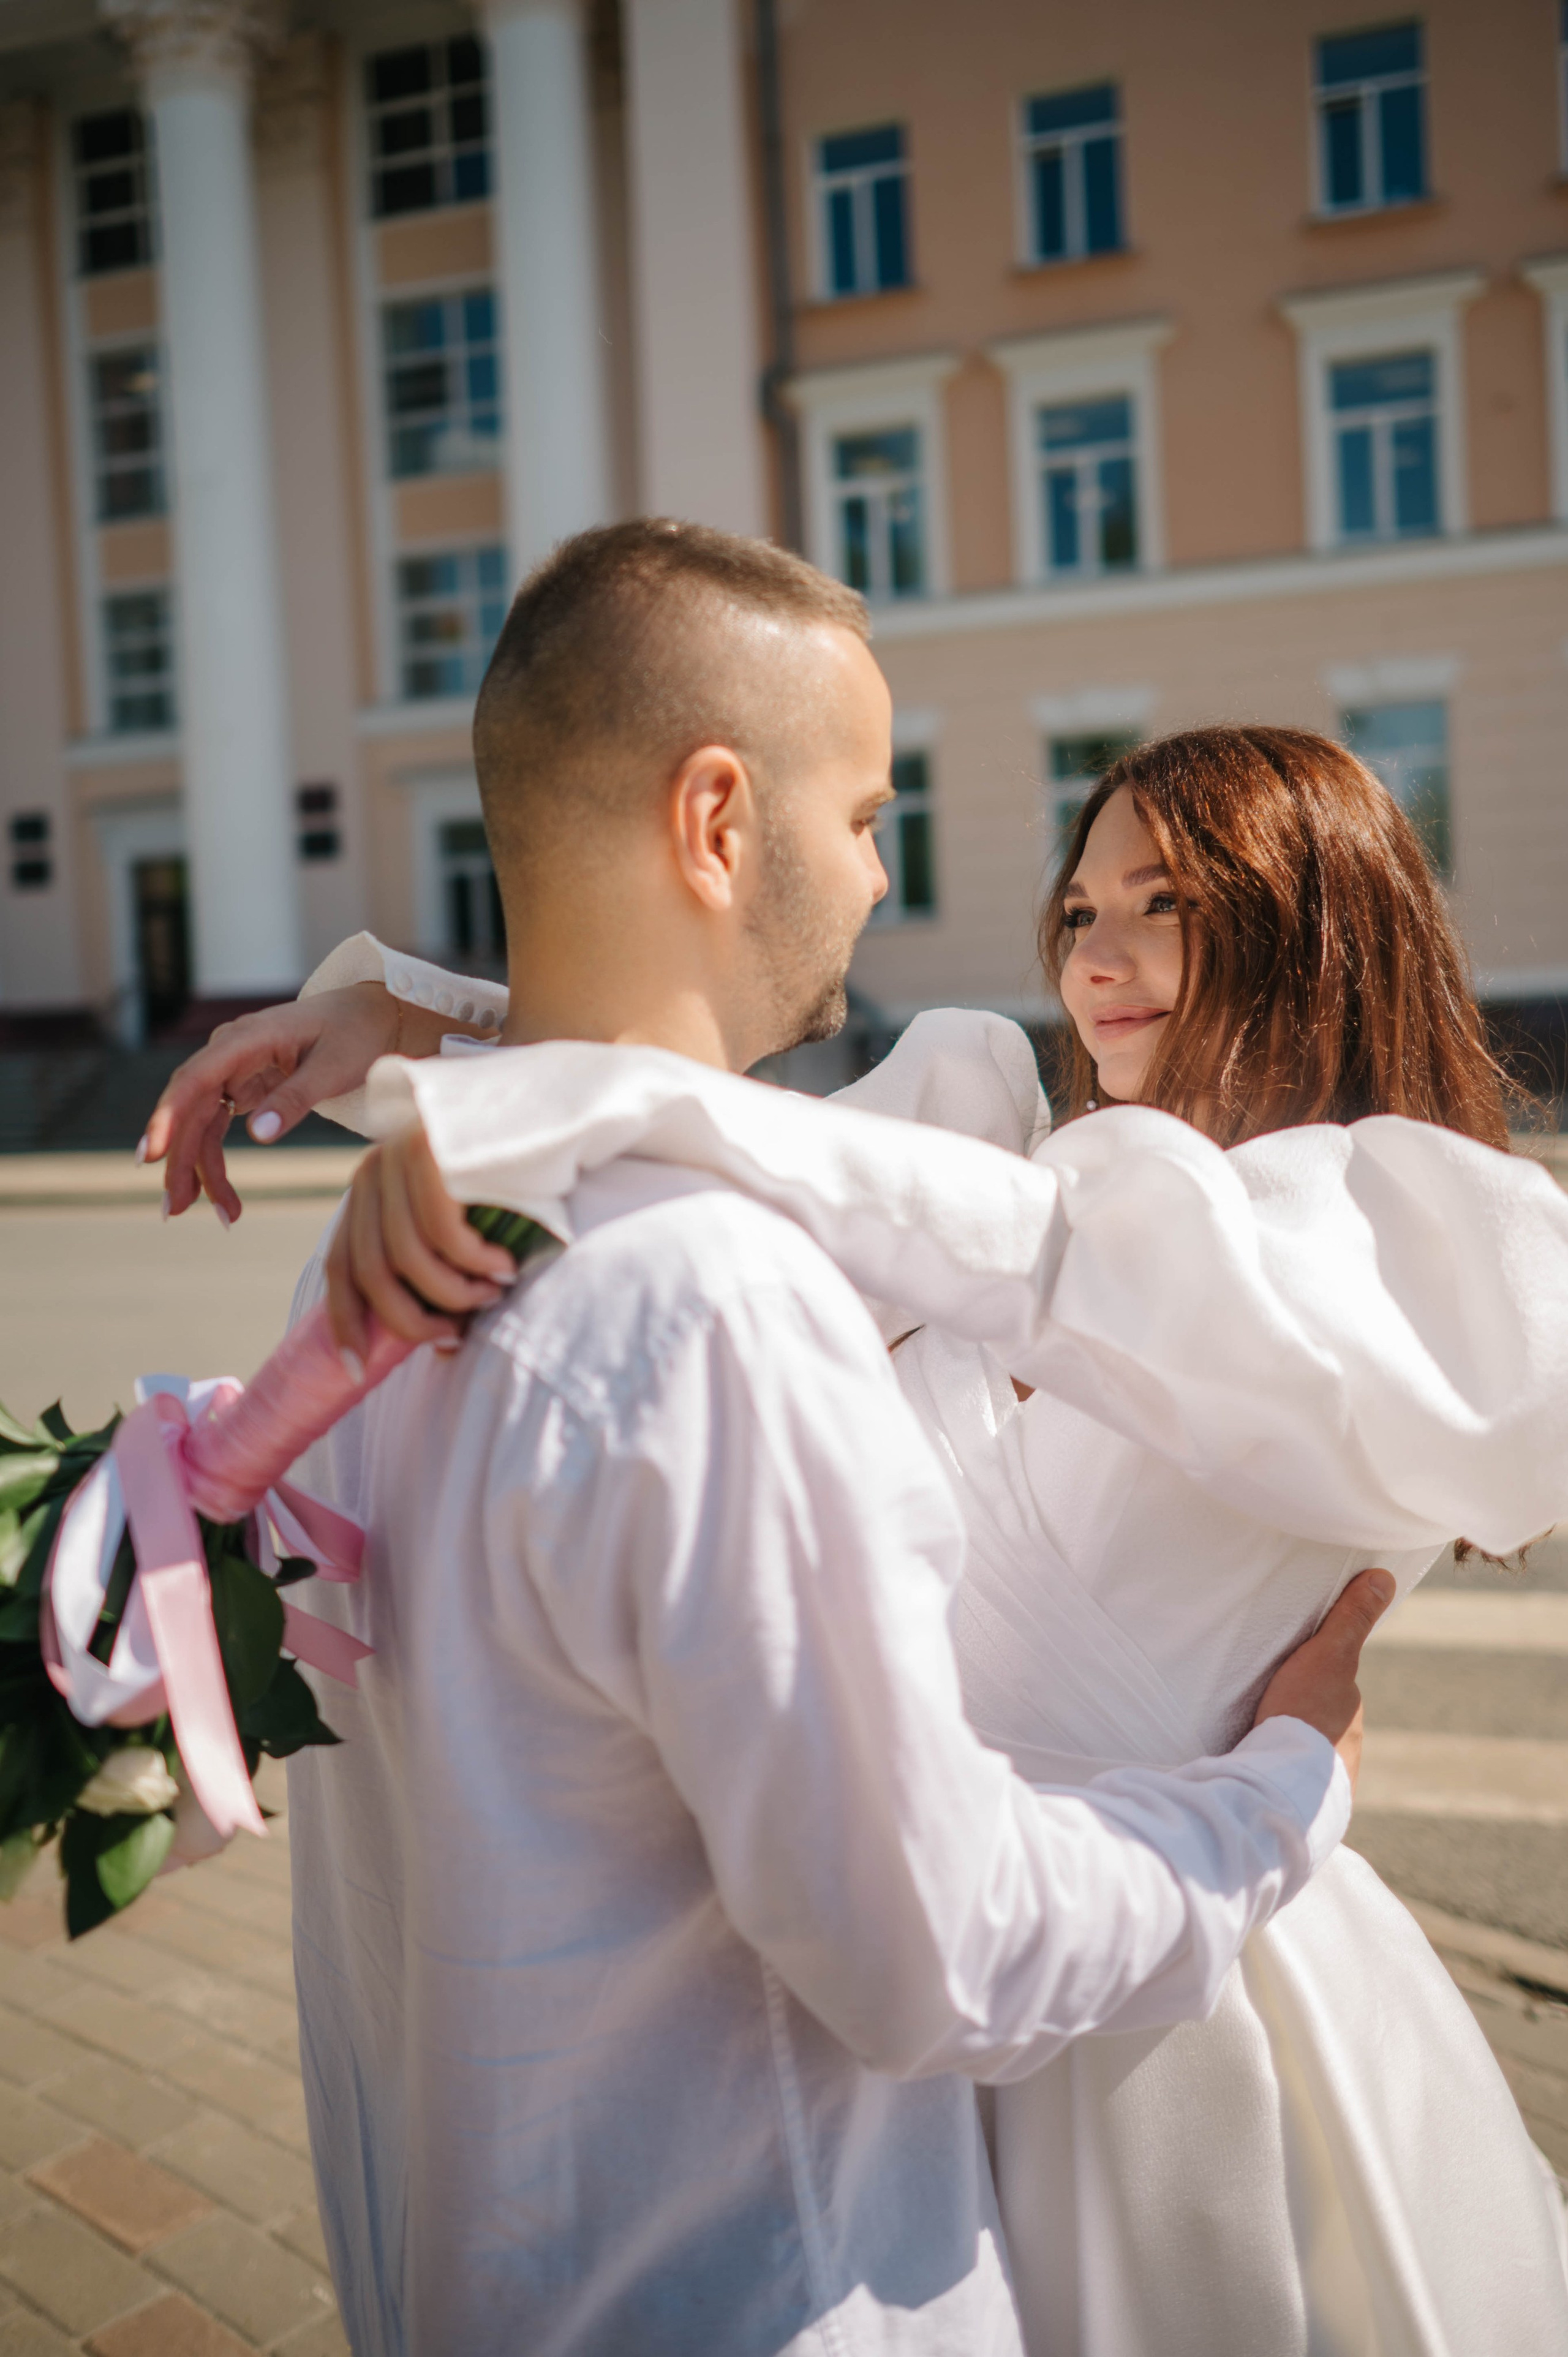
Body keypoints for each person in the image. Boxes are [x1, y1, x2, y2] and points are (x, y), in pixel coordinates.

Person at [144, 530, 1479, 2356]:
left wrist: (486, 1068)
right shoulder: (779, 1257)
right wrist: (1284, 1789)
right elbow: (936, 1939)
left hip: (1172, 2060)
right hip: (880, 2146)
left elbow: (1028, 1238)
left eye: (1158, 905)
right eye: (864, 815)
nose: (882, 873)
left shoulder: (1402, 1264)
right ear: (718, 820)